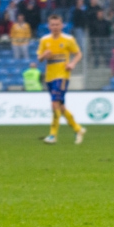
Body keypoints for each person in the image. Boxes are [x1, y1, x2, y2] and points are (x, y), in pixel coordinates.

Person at [37, 14, 86, 144]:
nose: (55, 27)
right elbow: (39, 58)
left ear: (62, 25)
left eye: (57, 24)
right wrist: (44, 55)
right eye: (52, 24)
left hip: (62, 76)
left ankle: (53, 135)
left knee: (54, 104)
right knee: (61, 107)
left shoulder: (68, 39)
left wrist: (72, 64)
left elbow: (78, 53)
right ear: (49, 26)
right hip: (49, 77)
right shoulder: (44, 40)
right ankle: (78, 129)